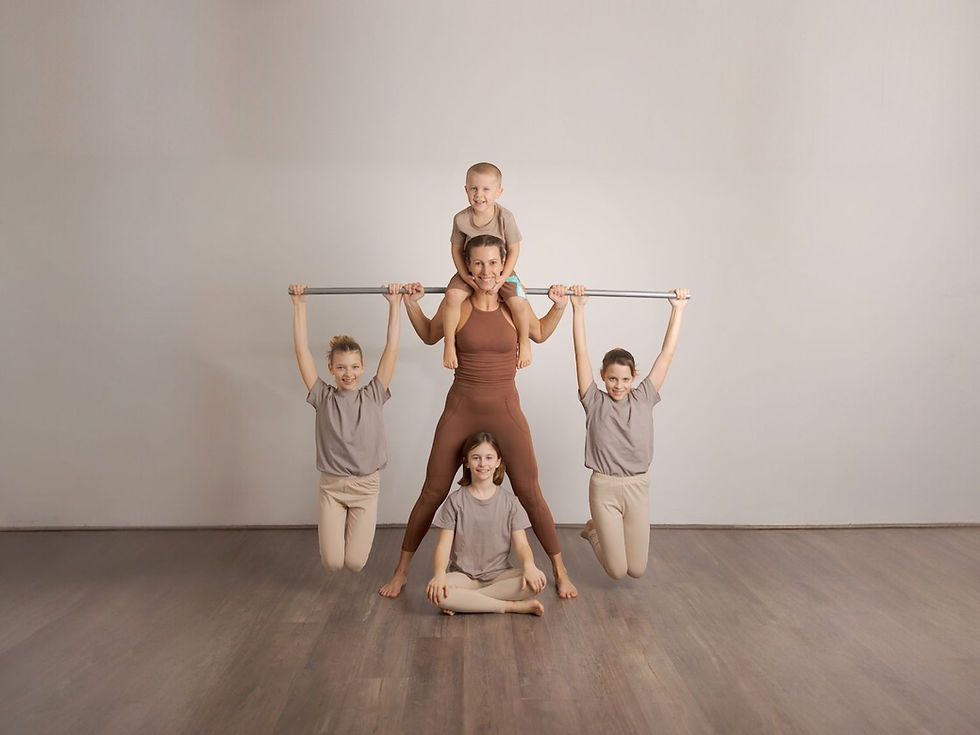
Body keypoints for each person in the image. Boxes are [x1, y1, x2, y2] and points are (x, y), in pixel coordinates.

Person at [379, 235, 578, 599]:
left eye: (493, 263)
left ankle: (561, 572)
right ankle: (401, 571)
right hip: (461, 408)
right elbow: (427, 334)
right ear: (467, 267)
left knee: (530, 492)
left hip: (505, 409)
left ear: (505, 264)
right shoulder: (458, 304)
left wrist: (561, 306)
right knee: (433, 491)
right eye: (478, 263)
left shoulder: (513, 304)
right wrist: (410, 304)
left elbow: (541, 332)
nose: (486, 271)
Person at [569, 284, 690, 579]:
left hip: (638, 487)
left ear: (633, 377)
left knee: (636, 569)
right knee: (617, 570)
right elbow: (581, 353)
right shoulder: (594, 400)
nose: (618, 385)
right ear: (603, 377)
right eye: (612, 378)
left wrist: (677, 311)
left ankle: (600, 530)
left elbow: (667, 354)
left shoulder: (644, 397)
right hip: (604, 487)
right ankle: (593, 531)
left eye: (624, 379)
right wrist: (578, 309)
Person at [289, 282, 402, 572]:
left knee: (354, 563)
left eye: (353, 367)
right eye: (341, 367)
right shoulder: (323, 396)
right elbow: (301, 352)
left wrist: (394, 305)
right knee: (333, 562)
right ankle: (334, 540)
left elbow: (391, 350)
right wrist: (299, 307)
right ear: (331, 369)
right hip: (332, 486)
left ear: (363, 366)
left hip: (366, 487)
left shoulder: (373, 395)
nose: (348, 374)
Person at [426, 432, 546, 616]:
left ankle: (465, 602)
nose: (483, 464)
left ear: (498, 461)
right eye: (476, 458)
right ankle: (511, 606)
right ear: (466, 462)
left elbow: (522, 545)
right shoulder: (455, 501)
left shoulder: (510, 502)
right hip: (463, 577)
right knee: (436, 592)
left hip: (500, 576)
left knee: (538, 579)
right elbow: (443, 545)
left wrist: (529, 565)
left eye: (489, 458)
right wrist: (439, 574)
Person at [441, 162, 533, 371]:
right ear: (466, 190)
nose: (479, 194)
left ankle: (525, 343)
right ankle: (449, 344)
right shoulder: (461, 219)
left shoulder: (505, 217)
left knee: (519, 300)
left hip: (502, 272)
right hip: (470, 271)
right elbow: (456, 250)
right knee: (452, 297)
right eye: (473, 188)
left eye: (486, 189)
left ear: (499, 192)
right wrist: (465, 277)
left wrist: (503, 277)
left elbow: (514, 250)